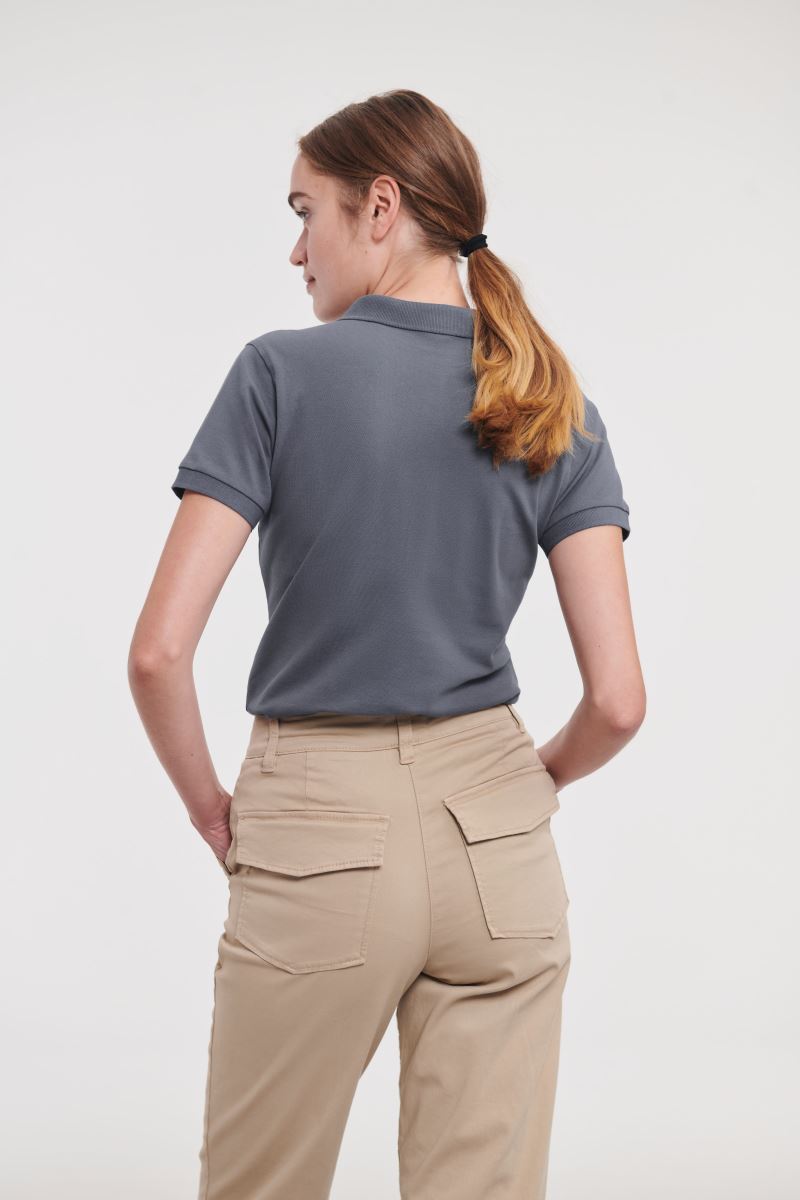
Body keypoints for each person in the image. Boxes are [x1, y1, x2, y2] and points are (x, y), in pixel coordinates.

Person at [128, 89, 645, 1200]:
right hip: (497, 840)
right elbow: (617, 703)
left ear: (379, 207)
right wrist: (525, 786)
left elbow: (158, 654)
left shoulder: (278, 374)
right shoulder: (551, 398)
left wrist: (208, 806)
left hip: (316, 827)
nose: (294, 250)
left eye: (303, 212)